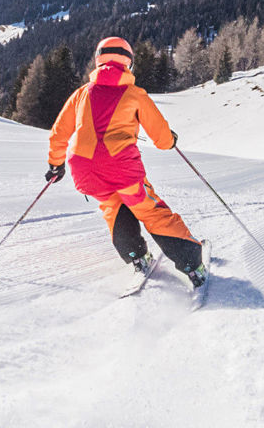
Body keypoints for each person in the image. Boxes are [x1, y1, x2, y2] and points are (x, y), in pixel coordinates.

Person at [47, 36, 207, 288]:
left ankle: (136, 256)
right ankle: (191, 263)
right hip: (121, 169)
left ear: (99, 59)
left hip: (84, 169)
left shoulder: (81, 94)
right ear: (128, 63)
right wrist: (170, 140)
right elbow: (161, 137)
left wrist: (56, 164)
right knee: (150, 210)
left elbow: (59, 132)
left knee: (113, 206)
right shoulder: (134, 94)